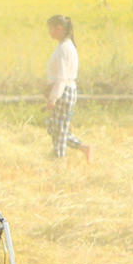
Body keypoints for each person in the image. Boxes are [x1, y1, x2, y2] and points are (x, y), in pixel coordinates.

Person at [44, 14, 90, 162]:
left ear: (59, 29)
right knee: (54, 127)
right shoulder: (63, 46)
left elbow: (62, 77)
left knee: (59, 129)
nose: (50, 32)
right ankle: (83, 148)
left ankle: (60, 160)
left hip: (64, 91)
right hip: (63, 90)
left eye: (51, 29)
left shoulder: (64, 48)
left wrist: (53, 98)